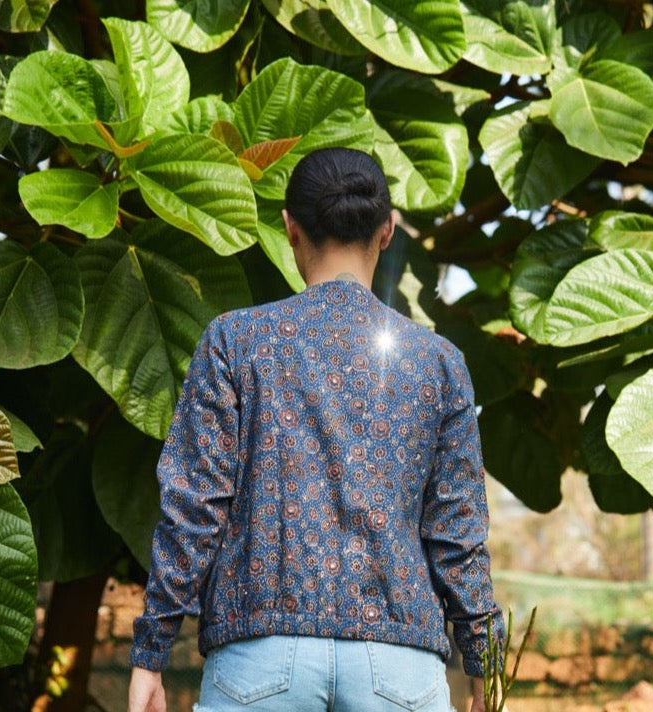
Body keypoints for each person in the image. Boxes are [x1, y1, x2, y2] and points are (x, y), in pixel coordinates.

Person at [127, 147, 504, 712]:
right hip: (398, 665)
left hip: (258, 653)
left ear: (290, 227)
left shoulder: (235, 342)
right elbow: (458, 534)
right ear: (387, 231)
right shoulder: (439, 362)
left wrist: (151, 652)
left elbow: (194, 508)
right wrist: (485, 666)